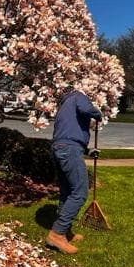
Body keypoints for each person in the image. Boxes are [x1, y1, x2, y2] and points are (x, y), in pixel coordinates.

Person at [46, 88, 104, 254]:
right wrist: (97, 113)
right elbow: (87, 109)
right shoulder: (79, 96)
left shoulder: (65, 104)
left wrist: (86, 151)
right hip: (69, 150)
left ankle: (65, 231)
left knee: (67, 192)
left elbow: (68, 135)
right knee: (79, 192)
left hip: (61, 148)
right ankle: (57, 234)